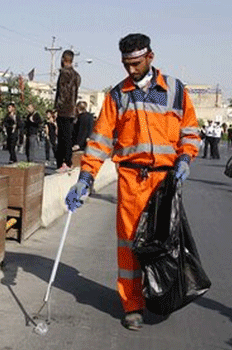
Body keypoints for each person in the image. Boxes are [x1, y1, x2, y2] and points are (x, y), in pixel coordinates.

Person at [65, 34, 200, 330]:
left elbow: (190, 130)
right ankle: (132, 305)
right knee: (129, 245)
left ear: (150, 57)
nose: (131, 70)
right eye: (126, 64)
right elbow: (100, 140)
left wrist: (186, 159)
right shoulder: (118, 95)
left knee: (164, 241)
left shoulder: (175, 90)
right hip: (130, 180)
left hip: (164, 181)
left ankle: (163, 294)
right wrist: (85, 178)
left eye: (136, 63)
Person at [54, 50, 81, 172]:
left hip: (64, 110)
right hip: (71, 110)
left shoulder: (64, 74)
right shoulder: (76, 75)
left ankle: (62, 162)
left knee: (62, 138)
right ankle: (68, 161)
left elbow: (62, 93)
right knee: (68, 137)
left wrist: (57, 109)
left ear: (63, 60)